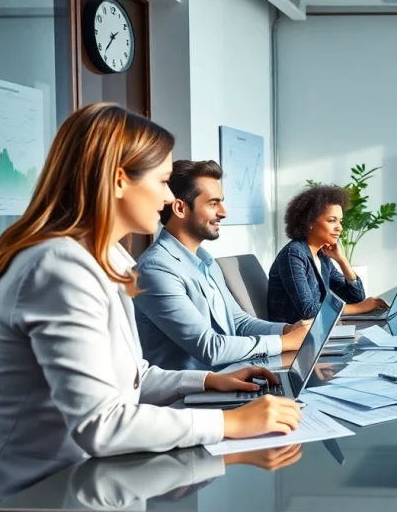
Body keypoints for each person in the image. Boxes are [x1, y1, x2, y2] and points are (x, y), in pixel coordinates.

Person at [0, 103, 318, 512]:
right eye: (164, 181)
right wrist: (230, 423)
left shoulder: (103, 262)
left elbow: (132, 377)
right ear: (119, 179)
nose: (170, 198)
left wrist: (209, 381)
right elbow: (100, 423)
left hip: (93, 491)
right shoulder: (59, 267)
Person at [133, 159, 311, 370]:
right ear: (180, 208)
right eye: (213, 203)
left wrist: (288, 330)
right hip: (189, 396)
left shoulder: (205, 260)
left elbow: (238, 323)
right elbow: (210, 348)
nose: (223, 212)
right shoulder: (156, 270)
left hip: (229, 377)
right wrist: (284, 343)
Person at [267, 184, 388, 324]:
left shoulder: (322, 256)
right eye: (332, 221)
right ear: (309, 222)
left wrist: (342, 260)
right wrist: (360, 308)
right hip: (295, 335)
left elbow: (356, 298)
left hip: (318, 329)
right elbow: (309, 310)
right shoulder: (293, 254)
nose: (339, 228)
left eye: (340, 221)